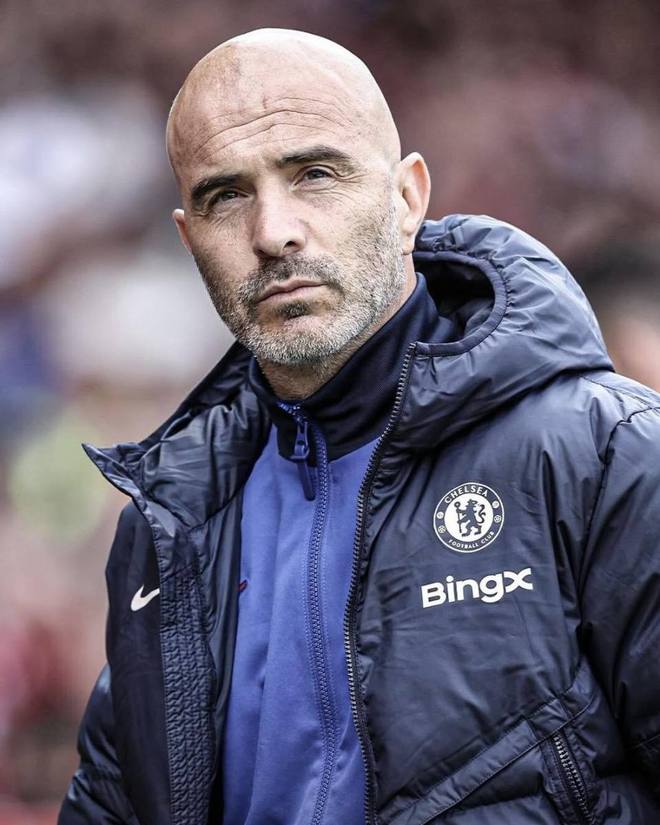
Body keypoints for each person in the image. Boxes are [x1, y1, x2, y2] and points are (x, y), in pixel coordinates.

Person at [60, 28, 660, 825]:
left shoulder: (606, 453)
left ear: (408, 198)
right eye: (225, 195)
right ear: (188, 237)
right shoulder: (168, 526)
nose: (272, 231)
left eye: (314, 174)